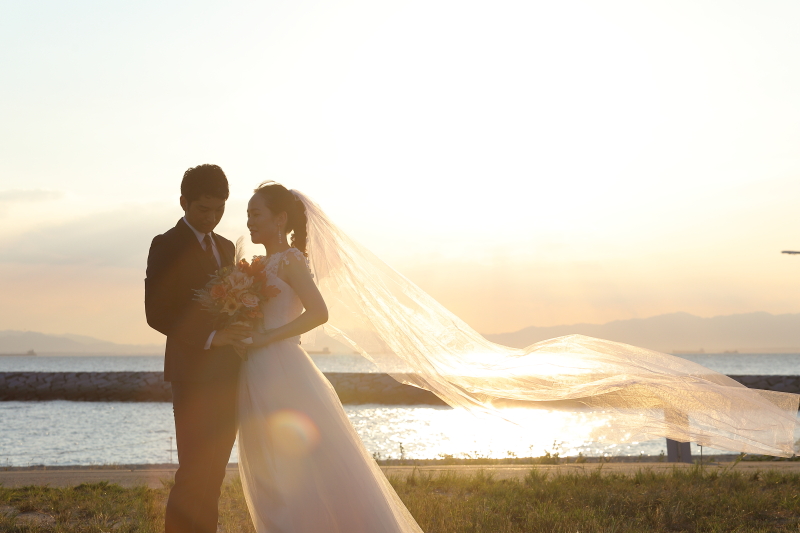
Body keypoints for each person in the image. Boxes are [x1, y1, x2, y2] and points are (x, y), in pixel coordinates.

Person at [237, 181, 799, 532]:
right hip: (256, 373)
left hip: (284, 367)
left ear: (283, 218)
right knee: (268, 459)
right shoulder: (253, 270)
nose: (250, 222)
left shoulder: (290, 265)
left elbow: (319, 316)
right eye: (248, 215)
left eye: (258, 213)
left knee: (314, 465)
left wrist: (263, 338)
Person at [145, 164, 252, 533]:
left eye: (219, 209)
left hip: (228, 374)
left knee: (215, 470)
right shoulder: (165, 244)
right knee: (193, 471)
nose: (211, 217)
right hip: (191, 374)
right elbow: (156, 312)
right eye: (203, 209)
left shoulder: (225, 247)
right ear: (183, 202)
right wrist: (210, 337)